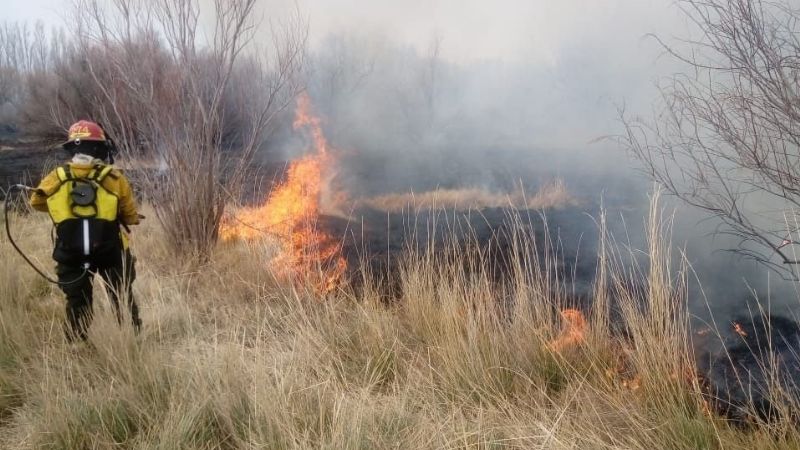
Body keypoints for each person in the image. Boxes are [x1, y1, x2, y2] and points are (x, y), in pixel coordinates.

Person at [30, 120, 142, 342]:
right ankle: (132, 339)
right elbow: (130, 216)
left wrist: (63, 209)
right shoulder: (114, 177)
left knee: (78, 302)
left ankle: (77, 346)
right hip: (111, 251)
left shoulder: (57, 176)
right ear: (99, 148)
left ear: (73, 148)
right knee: (121, 295)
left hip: (70, 253)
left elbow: (36, 202)